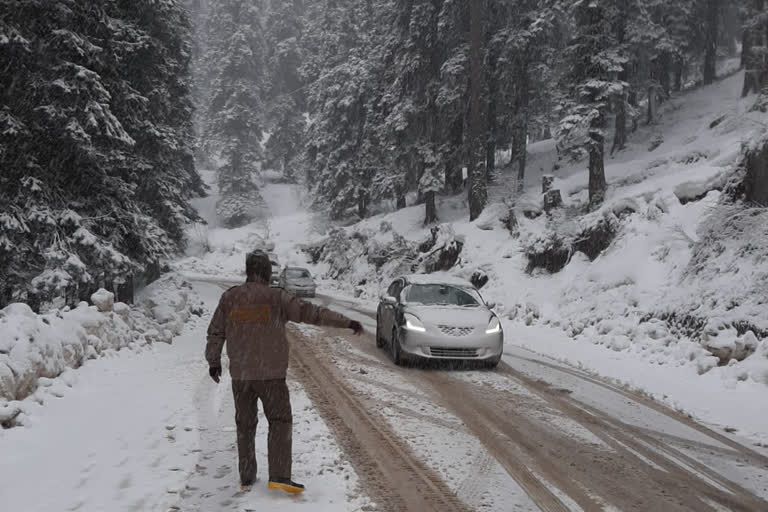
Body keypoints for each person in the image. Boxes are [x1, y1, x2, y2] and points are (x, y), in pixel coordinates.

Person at [205, 250, 363, 494]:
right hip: (272, 378)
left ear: (248, 272)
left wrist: (213, 361)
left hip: (242, 377)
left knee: (245, 425)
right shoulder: (277, 297)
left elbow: (216, 330)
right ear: (267, 272)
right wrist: (346, 322)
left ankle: (246, 477)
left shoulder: (230, 298)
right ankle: (278, 476)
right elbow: (312, 313)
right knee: (279, 422)